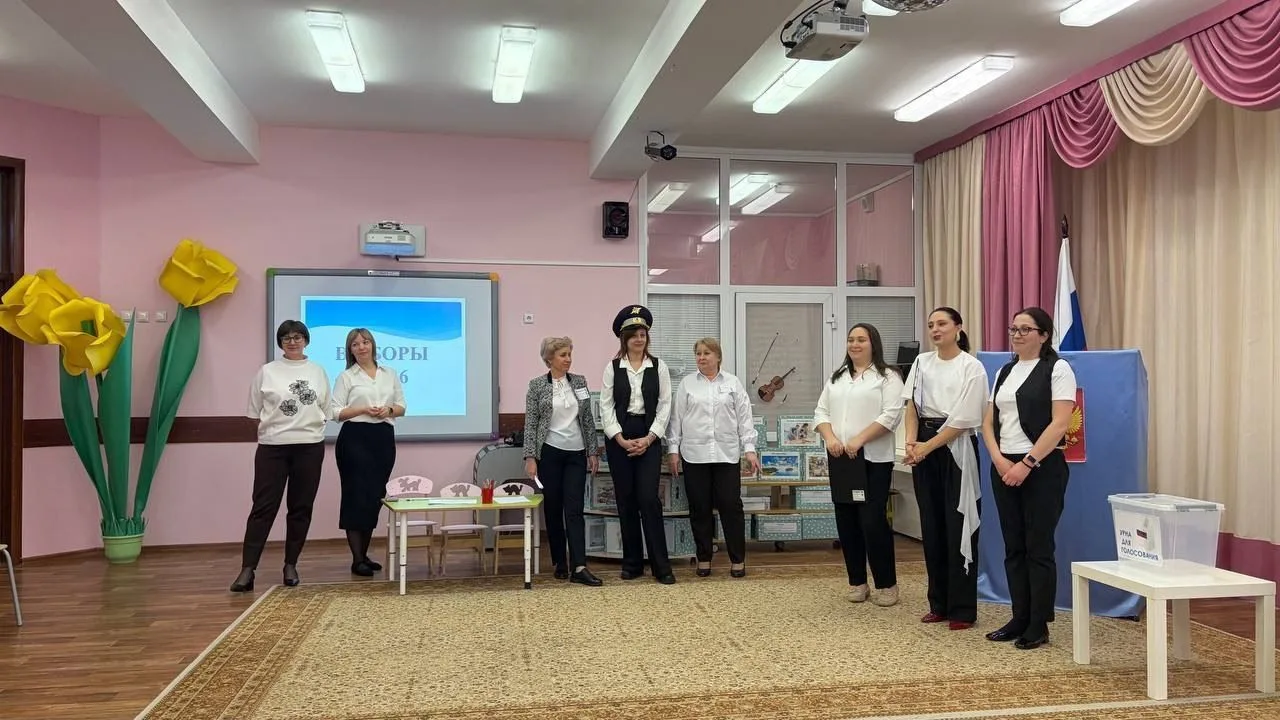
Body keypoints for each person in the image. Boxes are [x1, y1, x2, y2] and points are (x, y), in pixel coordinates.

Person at [981, 307, 1077, 650]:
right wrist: (998, 459)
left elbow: (1060, 423)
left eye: (1025, 329)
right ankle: (1019, 616)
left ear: (1044, 335)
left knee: (1038, 547)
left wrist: (1027, 463)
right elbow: (988, 421)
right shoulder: (1004, 371)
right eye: (1013, 329)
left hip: (1041, 468)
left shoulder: (1058, 369)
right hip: (1003, 466)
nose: (1017, 335)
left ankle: (1038, 624)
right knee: (1014, 546)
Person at [902, 307, 989, 630]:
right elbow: (911, 406)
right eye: (931, 325)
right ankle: (938, 603)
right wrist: (911, 443)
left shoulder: (971, 367)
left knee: (958, 524)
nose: (935, 330)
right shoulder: (921, 362)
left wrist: (927, 447)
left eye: (942, 324)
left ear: (958, 328)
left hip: (955, 446)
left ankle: (962, 609)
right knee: (932, 526)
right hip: (923, 445)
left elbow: (964, 419)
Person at [231, 320, 334, 592]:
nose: (292, 342)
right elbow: (255, 412)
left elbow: (327, 409)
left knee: (300, 508)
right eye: (286, 338)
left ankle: (291, 564)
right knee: (263, 508)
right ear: (280, 343)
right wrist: (277, 432)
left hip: (309, 447)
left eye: (298, 337)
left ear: (306, 341)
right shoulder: (267, 371)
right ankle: (247, 569)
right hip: (272, 448)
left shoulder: (318, 371)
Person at [814, 323, 905, 607]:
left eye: (861, 340)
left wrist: (859, 440)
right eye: (851, 339)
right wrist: (830, 438)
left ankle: (886, 585)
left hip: (873, 459)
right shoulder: (837, 377)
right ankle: (857, 582)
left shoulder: (888, 377)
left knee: (871, 521)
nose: (855, 344)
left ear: (873, 343)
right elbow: (821, 412)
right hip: (841, 459)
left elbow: (891, 415)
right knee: (847, 521)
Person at [667, 338, 758, 578]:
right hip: (694, 454)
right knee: (700, 508)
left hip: (726, 455)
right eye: (698, 353)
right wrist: (673, 450)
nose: (701, 357)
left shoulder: (732, 383)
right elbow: (676, 419)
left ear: (718, 357)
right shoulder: (687, 384)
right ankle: (704, 557)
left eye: (707, 353)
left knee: (730, 505)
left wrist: (749, 448)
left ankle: (737, 559)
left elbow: (744, 417)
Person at [599, 305, 676, 584]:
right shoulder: (612, 368)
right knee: (626, 500)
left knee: (648, 499)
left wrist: (650, 437)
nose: (639, 339)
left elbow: (665, 405)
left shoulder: (659, 366)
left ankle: (661, 566)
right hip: (620, 437)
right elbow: (606, 407)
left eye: (643, 334)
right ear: (625, 338)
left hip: (649, 435)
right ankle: (632, 564)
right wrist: (619, 438)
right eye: (634, 335)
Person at [522, 336, 603, 587]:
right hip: (550, 453)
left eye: (569, 354)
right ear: (550, 358)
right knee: (553, 508)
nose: (568, 359)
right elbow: (531, 423)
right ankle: (560, 561)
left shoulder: (579, 382)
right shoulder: (537, 385)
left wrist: (592, 451)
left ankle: (579, 566)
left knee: (574, 509)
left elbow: (587, 420)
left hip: (576, 453)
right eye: (563, 355)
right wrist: (530, 457)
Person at [333, 328, 406, 577]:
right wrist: (362, 409)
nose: (362, 347)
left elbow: (402, 406)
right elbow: (335, 412)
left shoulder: (390, 373)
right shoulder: (346, 377)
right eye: (356, 344)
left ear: (373, 345)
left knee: (374, 497)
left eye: (365, 342)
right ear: (350, 350)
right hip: (354, 438)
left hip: (382, 438)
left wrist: (389, 410)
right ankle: (357, 559)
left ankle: (364, 555)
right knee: (356, 496)